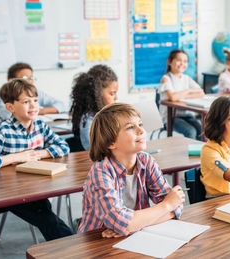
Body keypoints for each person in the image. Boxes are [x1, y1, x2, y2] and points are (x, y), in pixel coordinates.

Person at [78, 103, 185, 237]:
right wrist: (166, 206)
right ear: (111, 143)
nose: (141, 131)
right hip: (98, 242)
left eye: (140, 124)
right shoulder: (100, 171)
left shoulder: (147, 161)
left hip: (134, 236)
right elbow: (121, 221)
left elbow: (177, 207)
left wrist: (133, 225)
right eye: (130, 127)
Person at [0, 79, 72, 241]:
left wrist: (40, 153)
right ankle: (73, 249)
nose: (34, 106)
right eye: (26, 102)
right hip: (11, 192)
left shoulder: (40, 126)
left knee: (46, 213)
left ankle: (58, 248)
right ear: (10, 107)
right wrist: (17, 157)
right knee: (49, 219)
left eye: (35, 101)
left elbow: (64, 146)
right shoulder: (4, 130)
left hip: (35, 187)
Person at [158, 49, 205, 140]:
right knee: (191, 131)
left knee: (202, 131)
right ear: (170, 62)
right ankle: (189, 154)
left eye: (185, 61)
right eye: (179, 60)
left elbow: (201, 92)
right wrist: (189, 91)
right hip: (170, 117)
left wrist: (181, 95)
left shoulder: (186, 78)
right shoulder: (166, 78)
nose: (182, 63)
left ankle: (200, 153)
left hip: (186, 115)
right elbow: (173, 97)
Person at [70, 64, 118, 150]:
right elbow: (98, 149)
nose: (116, 97)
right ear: (97, 94)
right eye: (112, 93)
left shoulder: (106, 115)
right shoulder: (88, 120)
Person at [0, 62, 67, 120]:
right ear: (11, 80)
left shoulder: (37, 93)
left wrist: (39, 111)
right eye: (25, 78)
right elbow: (8, 116)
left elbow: (61, 105)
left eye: (31, 78)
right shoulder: (5, 99)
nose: (29, 81)